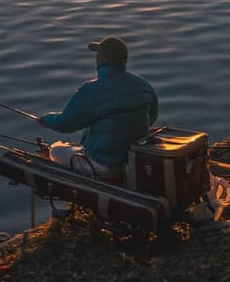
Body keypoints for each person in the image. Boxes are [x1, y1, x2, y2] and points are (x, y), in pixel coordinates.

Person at [36, 36, 159, 178]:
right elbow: (152, 116)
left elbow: (67, 123)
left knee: (56, 150)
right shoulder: (142, 84)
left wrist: (46, 120)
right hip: (133, 159)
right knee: (79, 146)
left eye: (98, 54)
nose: (96, 57)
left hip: (106, 165)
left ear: (103, 59)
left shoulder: (92, 89)